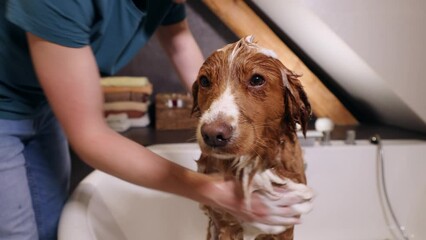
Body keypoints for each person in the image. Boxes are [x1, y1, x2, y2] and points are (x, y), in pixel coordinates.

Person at [0, 0, 310, 239]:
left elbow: (179, 41)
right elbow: (90, 137)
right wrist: (213, 190)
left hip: (42, 105)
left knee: (49, 227)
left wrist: (223, 115)